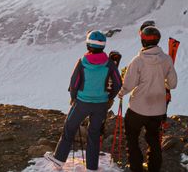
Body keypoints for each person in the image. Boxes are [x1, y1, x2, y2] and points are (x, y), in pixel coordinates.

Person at [43, 30, 122, 170]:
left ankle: (59, 159)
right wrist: (109, 98)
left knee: (69, 128)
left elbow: (74, 82)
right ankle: (92, 166)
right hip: (101, 104)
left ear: (88, 45)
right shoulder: (110, 64)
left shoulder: (83, 62)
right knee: (94, 134)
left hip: (82, 103)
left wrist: (73, 98)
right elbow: (117, 83)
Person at [119, 22, 178, 172]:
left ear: (143, 41)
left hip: (137, 109)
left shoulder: (137, 61)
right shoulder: (167, 60)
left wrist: (120, 93)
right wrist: (162, 82)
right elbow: (172, 84)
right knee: (154, 141)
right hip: (158, 109)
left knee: (132, 140)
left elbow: (128, 85)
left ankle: (136, 168)